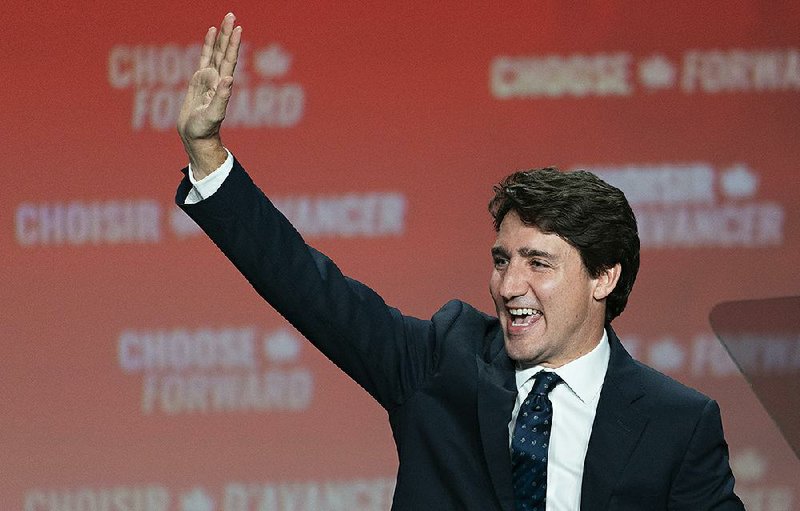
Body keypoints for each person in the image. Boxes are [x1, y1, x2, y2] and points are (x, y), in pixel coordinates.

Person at [176, 14, 744, 511]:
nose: (509, 284)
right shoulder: (442, 362)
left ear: (604, 277)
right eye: (503, 259)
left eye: (538, 263)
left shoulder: (677, 424)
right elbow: (308, 288)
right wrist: (208, 155)